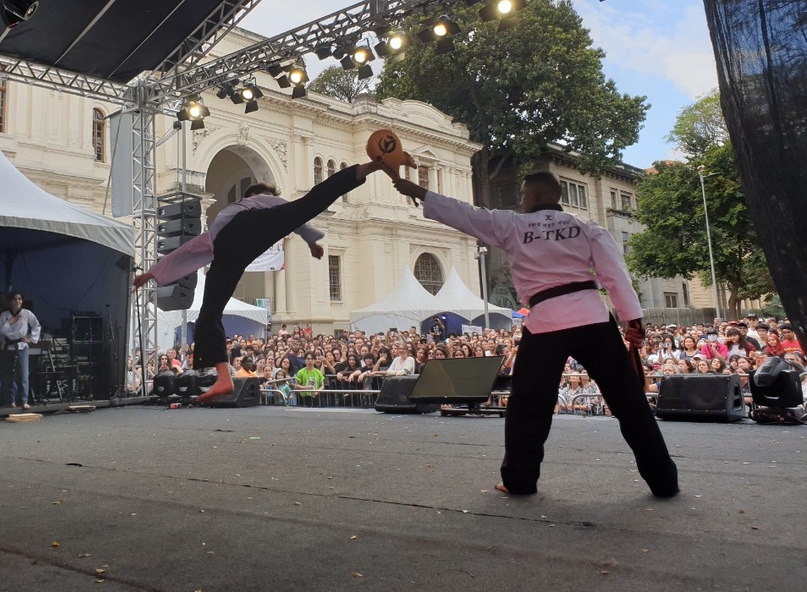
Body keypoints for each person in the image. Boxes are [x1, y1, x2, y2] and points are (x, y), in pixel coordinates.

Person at [393, 170, 679, 498]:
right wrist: (633, 321)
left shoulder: (514, 224)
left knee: (529, 405)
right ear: (555, 196)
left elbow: (467, 215)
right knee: (629, 402)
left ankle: (519, 479)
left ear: (530, 196)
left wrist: (419, 191)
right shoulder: (586, 227)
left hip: (545, 323)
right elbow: (615, 273)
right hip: (591, 317)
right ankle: (664, 481)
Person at [133, 159, 386, 402]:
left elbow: (189, 250)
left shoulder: (242, 208)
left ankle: (223, 376)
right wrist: (311, 242)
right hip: (244, 239)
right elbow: (302, 211)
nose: (273, 199)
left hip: (228, 249)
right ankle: (369, 167)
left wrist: (152, 273)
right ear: (257, 195)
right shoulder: (260, 203)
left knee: (210, 314)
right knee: (310, 202)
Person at [0, 292, 41, 409]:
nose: (17, 301)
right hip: (8, 346)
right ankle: (10, 400)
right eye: (15, 299)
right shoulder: (4, 315)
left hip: (21, 345)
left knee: (23, 374)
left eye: (20, 299)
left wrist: (31, 339)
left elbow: (37, 326)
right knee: (8, 375)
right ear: (10, 301)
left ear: (22, 301)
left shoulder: (27, 313)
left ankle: (23, 400)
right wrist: (8, 323)